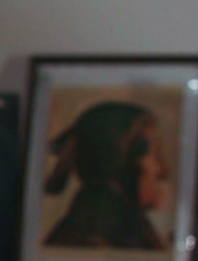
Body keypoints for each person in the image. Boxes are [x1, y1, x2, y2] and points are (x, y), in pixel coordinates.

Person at [41, 101, 171, 250]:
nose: (163, 170)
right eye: (156, 155)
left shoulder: (125, 226)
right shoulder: (92, 236)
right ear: (123, 164)